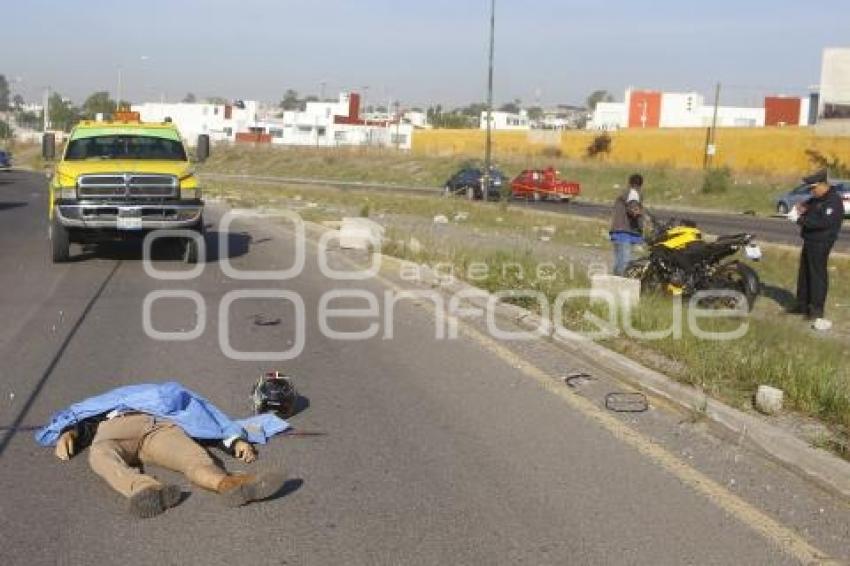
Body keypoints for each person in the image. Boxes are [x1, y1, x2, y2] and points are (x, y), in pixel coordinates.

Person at [35, 381, 290, 518]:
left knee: (193, 458)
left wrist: (235, 441)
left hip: (160, 427)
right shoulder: (110, 405)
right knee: (101, 455)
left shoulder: (167, 396)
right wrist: (68, 432)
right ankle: (148, 490)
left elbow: (203, 419)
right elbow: (86, 420)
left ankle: (229, 484)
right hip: (119, 429)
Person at [787, 168, 844, 331]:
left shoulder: (833, 201)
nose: (812, 191)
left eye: (813, 188)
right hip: (810, 240)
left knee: (817, 276)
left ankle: (816, 310)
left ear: (823, 185)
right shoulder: (818, 198)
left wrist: (799, 220)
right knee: (804, 274)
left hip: (821, 243)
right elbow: (808, 206)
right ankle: (802, 305)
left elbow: (823, 223)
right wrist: (800, 207)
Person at [609, 173, 645, 275]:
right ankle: (622, 284)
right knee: (625, 262)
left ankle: (614, 282)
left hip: (618, 231)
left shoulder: (625, 193)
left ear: (629, 183)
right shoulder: (634, 193)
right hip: (625, 232)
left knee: (618, 261)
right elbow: (633, 209)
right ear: (640, 185)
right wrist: (640, 214)